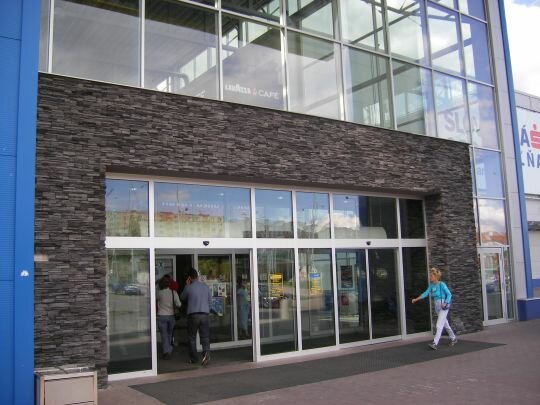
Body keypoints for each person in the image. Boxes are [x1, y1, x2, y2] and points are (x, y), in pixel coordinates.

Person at [412, 267, 458, 350]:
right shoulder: (431, 285)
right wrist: (416, 299)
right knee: (445, 324)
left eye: (431, 276)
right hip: (437, 307)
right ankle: (453, 338)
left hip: (443, 307)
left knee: (439, 325)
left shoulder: (442, 284)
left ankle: (435, 343)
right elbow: (425, 293)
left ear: (436, 276)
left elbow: (449, 294)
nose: (430, 277)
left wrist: (445, 302)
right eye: (430, 276)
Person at [180, 268, 212, 366]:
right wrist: (207, 310)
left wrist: (186, 285)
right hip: (204, 314)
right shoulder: (205, 287)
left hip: (193, 315)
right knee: (205, 337)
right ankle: (206, 355)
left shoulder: (189, 287)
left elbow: (182, 297)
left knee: (192, 338)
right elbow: (210, 302)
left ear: (189, 278)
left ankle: (194, 358)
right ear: (197, 276)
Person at [156, 275, 181, 359]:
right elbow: (179, 304)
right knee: (169, 334)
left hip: (161, 316)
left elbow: (154, 299)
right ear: (169, 284)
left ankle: (166, 351)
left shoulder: (159, 293)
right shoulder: (173, 293)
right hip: (171, 316)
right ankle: (168, 350)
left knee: (164, 335)